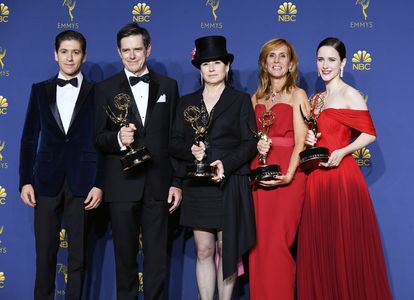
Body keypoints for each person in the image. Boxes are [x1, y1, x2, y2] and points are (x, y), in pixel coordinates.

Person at [296, 37, 393, 299]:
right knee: (321, 246)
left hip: (341, 178)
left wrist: (344, 150)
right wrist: (310, 140)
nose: (325, 65)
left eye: (331, 60)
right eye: (320, 59)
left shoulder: (350, 94)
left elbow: (369, 134)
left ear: (343, 63)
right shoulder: (316, 99)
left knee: (344, 246)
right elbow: (317, 134)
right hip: (317, 177)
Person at [94, 23, 182, 300]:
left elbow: (176, 138)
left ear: (148, 49)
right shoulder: (104, 88)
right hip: (121, 185)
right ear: (119, 53)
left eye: (137, 49)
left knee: (157, 259)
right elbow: (98, 137)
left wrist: (177, 181)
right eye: (126, 51)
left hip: (158, 184)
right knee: (124, 258)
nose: (132, 56)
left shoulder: (169, 86)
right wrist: (119, 139)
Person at [169, 35, 256, 300]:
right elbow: (173, 143)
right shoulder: (187, 102)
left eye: (217, 62)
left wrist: (225, 164)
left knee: (226, 248)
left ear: (227, 67)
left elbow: (250, 142)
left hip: (228, 183)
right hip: (197, 185)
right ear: (199, 68)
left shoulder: (240, 100)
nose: (211, 68)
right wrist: (191, 151)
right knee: (204, 250)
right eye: (206, 63)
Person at [19, 30, 103, 300]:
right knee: (45, 253)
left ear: (84, 56)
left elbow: (103, 140)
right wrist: (25, 180)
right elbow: (29, 137)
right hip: (45, 180)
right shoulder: (40, 90)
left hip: (83, 181)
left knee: (78, 256)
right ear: (55, 55)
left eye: (76, 52)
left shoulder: (97, 92)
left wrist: (99, 183)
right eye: (64, 52)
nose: (70, 57)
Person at [248, 38, 308, 300]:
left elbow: (301, 141)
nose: (276, 61)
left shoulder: (298, 95)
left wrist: (290, 174)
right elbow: (249, 138)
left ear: (291, 63)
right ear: (264, 62)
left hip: (289, 175)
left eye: (282, 56)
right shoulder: (256, 98)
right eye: (271, 56)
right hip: (259, 177)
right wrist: (256, 146)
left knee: (278, 246)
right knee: (258, 247)